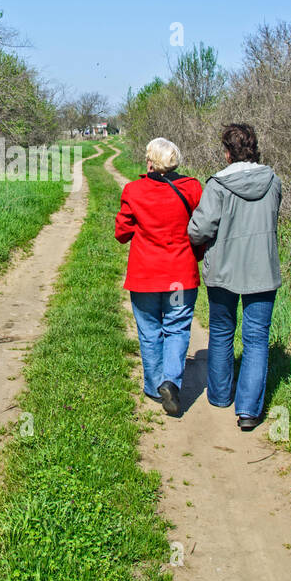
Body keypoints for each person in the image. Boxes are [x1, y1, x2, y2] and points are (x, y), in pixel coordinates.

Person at [188, 123, 282, 431]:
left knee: (222, 332)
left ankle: (219, 396)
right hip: (262, 271)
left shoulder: (217, 185)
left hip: (224, 271)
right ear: (254, 148)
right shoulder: (273, 181)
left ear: (228, 152)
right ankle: (248, 411)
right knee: (256, 339)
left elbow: (200, 230)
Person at [114, 137, 203, 416]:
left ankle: (154, 387)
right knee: (177, 326)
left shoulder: (134, 190)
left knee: (150, 330)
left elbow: (121, 233)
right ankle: (171, 382)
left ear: (151, 161)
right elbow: (201, 227)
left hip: (146, 278)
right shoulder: (192, 188)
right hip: (179, 278)